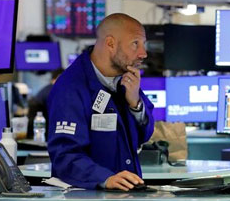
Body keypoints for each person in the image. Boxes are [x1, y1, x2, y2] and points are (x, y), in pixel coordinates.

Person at [47, 13, 155, 190]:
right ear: (111, 43)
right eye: (135, 44)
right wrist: (105, 178)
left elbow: (144, 135)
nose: (143, 53)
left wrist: (135, 104)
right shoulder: (71, 88)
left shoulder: (125, 80)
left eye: (144, 45)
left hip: (124, 196)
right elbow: (65, 156)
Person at [26, 68, 64, 139]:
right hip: (40, 133)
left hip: (36, 132)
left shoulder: (48, 89)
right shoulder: (53, 91)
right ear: (54, 79)